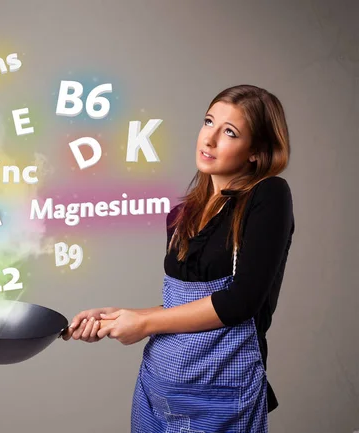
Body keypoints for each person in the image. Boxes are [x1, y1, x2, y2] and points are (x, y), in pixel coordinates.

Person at [62, 84, 295, 433]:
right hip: (157, 390)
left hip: (218, 397)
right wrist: (118, 317)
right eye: (208, 122)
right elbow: (182, 307)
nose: (210, 139)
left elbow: (240, 302)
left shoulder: (268, 195)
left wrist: (143, 325)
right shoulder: (180, 214)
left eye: (229, 132)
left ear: (255, 151)